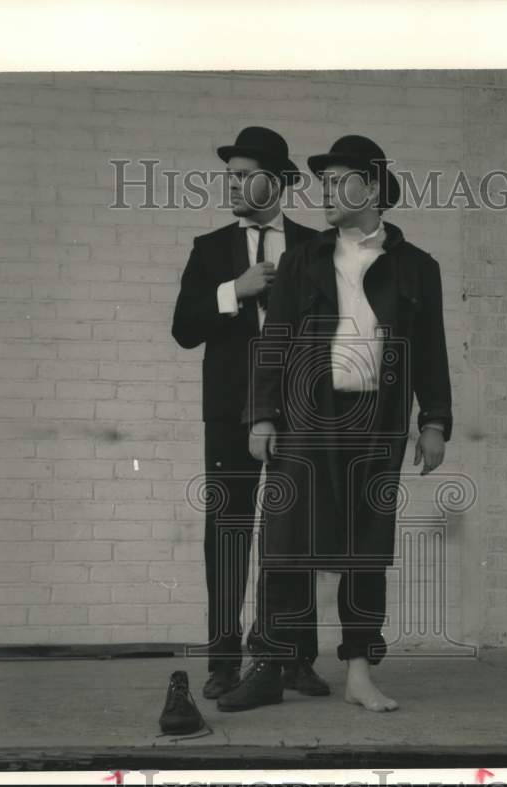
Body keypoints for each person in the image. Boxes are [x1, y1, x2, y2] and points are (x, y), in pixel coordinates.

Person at [218, 135, 453, 713]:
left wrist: (436, 422)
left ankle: (359, 675)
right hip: (305, 420)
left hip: (377, 425)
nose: (325, 191)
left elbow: (431, 352)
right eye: (320, 182)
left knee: (365, 554)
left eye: (338, 180)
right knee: (285, 547)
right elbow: (275, 342)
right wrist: (264, 415)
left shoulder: (418, 268)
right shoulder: (304, 259)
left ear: (370, 187)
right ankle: (271, 668)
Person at [171, 126, 328, 700]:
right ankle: (223, 661)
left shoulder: (315, 247)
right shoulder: (210, 248)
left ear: (278, 181)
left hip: (300, 410)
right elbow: (184, 330)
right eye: (229, 175)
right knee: (229, 531)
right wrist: (232, 289)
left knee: (295, 536)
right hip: (229, 411)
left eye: (243, 175)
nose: (231, 185)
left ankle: (294, 659)